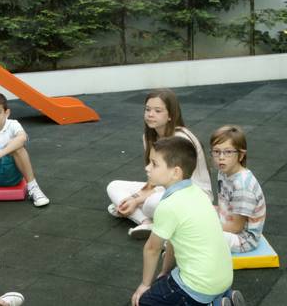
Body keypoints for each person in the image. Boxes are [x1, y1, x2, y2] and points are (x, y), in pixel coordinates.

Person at [131, 137, 242, 306]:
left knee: (144, 301)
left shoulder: (169, 205)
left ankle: (211, 304)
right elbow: (173, 241)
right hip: (224, 278)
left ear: (175, 172)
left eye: (154, 164)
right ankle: (222, 297)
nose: (147, 167)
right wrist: (165, 272)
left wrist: (144, 285)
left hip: (198, 287)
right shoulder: (197, 192)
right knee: (165, 282)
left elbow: (152, 248)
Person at [106, 89, 212, 239]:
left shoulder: (180, 139)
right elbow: (156, 179)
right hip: (166, 188)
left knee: (151, 203)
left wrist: (136, 199)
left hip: (192, 193)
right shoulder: (149, 137)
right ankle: (146, 222)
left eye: (157, 110)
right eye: (147, 109)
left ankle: (138, 212)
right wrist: (135, 198)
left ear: (170, 115)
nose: (150, 114)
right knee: (114, 186)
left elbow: (176, 183)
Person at [211, 125, 266, 253]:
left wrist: (208, 226)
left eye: (228, 152)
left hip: (243, 239)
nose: (221, 157)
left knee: (196, 233)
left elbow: (236, 227)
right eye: (216, 151)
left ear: (241, 155)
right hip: (227, 219)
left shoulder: (242, 187)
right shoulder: (223, 172)